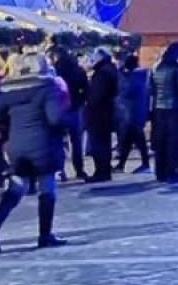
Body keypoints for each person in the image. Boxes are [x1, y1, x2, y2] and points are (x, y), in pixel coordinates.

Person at [0, 52, 73, 253]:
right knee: (47, 189)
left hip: (17, 145)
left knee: (17, 187)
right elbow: (55, 117)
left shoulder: (10, 89)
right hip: (43, 144)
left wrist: (10, 124)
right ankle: (45, 234)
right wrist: (67, 124)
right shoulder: (47, 87)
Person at [150, 42, 178, 183]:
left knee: (161, 142)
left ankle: (161, 173)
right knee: (174, 143)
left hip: (159, 109)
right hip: (175, 109)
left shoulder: (156, 67)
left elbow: (151, 89)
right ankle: (173, 173)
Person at [52, 47, 91, 182]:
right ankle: (79, 169)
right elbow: (86, 89)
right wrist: (79, 102)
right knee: (77, 142)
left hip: (59, 109)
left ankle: (60, 170)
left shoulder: (54, 71)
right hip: (75, 109)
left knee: (58, 141)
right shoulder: (78, 70)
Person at [84, 48, 119, 184]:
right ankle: (104, 171)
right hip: (106, 112)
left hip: (99, 113)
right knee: (104, 143)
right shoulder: (109, 69)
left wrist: (87, 96)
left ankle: (101, 172)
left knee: (99, 143)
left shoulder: (102, 72)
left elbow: (97, 95)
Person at [114, 52, 152, 173]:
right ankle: (122, 164)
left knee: (136, 139)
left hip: (132, 113)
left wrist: (120, 72)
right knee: (129, 139)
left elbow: (125, 91)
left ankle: (144, 164)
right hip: (137, 112)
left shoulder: (133, 78)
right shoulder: (142, 75)